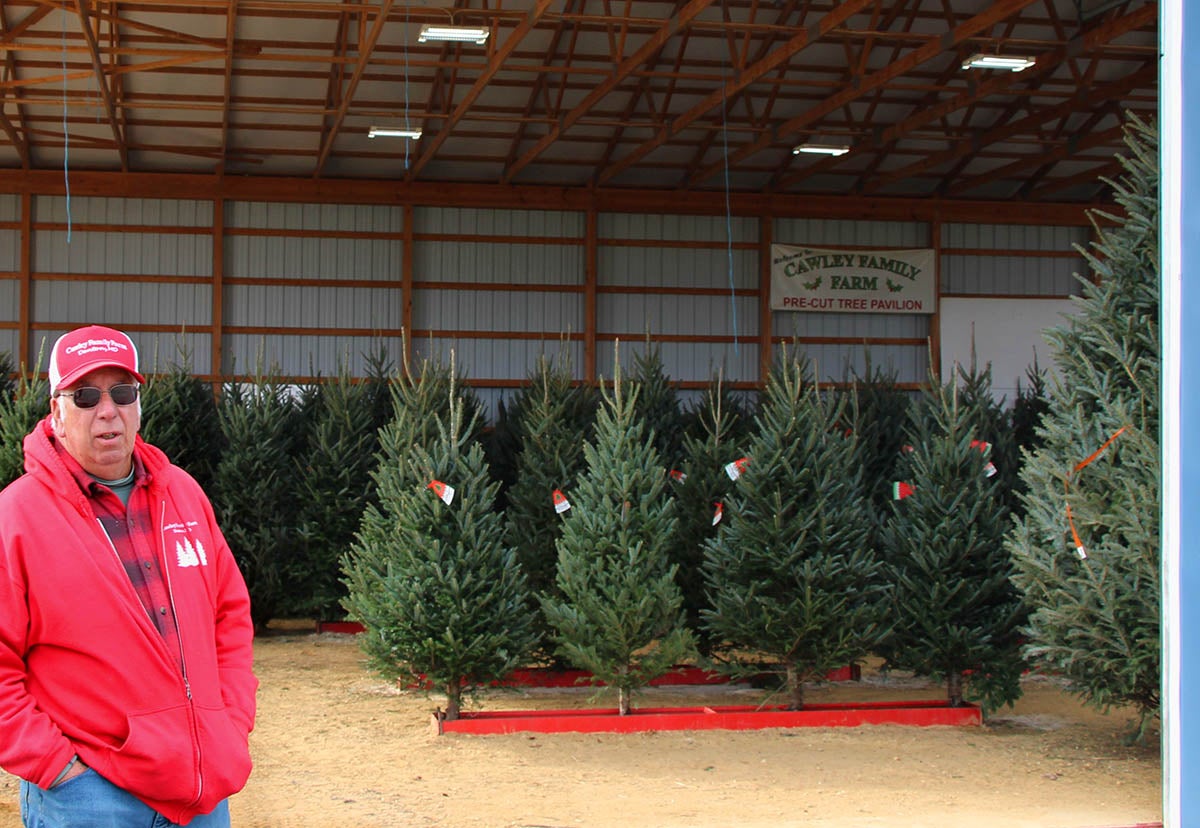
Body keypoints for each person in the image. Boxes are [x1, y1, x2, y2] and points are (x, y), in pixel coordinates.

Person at [0, 324, 257, 827]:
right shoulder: (17, 518)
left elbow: (229, 615)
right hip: (90, 797)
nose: (107, 410)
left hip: (202, 793)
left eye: (122, 392)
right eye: (85, 396)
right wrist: (58, 768)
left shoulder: (182, 494)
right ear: (56, 412)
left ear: (138, 405)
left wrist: (229, 723)